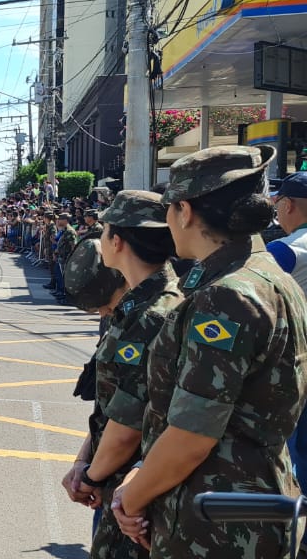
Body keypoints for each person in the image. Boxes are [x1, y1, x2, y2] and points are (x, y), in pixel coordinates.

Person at [112, 146, 307, 556]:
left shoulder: (225, 297)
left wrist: (128, 500)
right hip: (248, 503)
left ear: (184, 211)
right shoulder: (268, 276)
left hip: (217, 519)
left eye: (169, 208)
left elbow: (191, 436)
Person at [59, 191, 181, 559]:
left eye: (105, 228)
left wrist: (90, 476)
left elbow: (130, 427)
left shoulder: (155, 314)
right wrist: (85, 462)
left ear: (117, 241)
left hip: (138, 491)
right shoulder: (135, 308)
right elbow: (111, 405)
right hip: (118, 480)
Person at [268, 172, 307, 491]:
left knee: (297, 450)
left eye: (278, 203)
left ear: (289, 205)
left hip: (297, 364)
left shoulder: (285, 249)